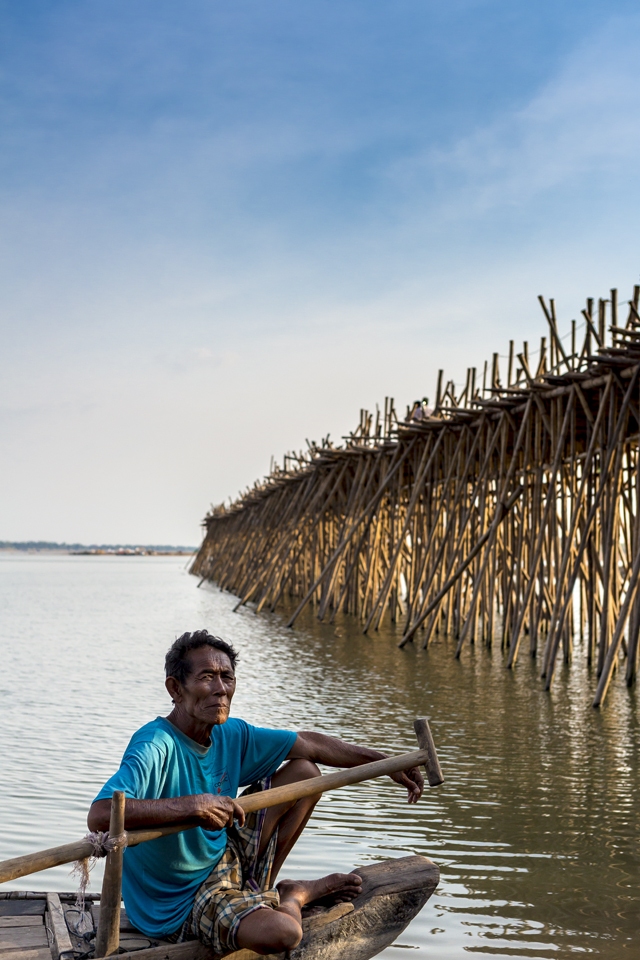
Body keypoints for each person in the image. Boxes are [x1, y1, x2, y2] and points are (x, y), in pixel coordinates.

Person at [88, 631, 423, 958]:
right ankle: (292, 896)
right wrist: (193, 805)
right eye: (207, 677)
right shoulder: (155, 744)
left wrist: (386, 763)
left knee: (304, 773)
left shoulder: (230, 733)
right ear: (176, 688)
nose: (220, 689)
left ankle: (259, 892)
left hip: (222, 856)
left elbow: (308, 744)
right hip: (179, 902)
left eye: (227, 677)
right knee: (284, 933)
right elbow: (101, 815)